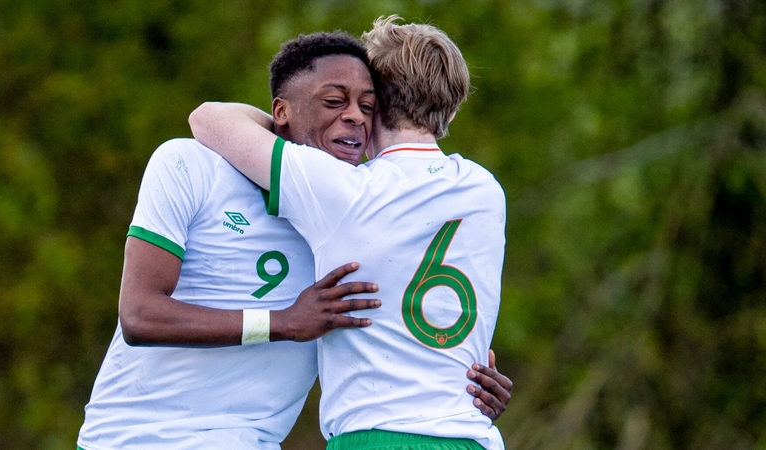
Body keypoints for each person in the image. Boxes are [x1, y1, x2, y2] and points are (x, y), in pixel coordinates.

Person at [78, 30, 509, 450]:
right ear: (282, 111)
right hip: (134, 438)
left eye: (368, 105)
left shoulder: (353, 202)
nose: (356, 116)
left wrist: (461, 384)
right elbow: (138, 315)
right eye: (335, 101)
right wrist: (281, 322)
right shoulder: (189, 164)